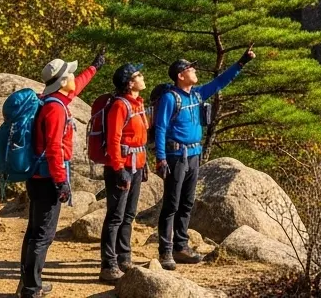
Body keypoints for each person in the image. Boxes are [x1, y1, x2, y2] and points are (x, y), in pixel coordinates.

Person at [154, 47, 255, 270]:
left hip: (193, 156)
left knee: (187, 202)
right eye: (190, 68)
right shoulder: (170, 98)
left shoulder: (198, 94)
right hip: (175, 156)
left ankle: (181, 247)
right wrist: (161, 159)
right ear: (181, 75)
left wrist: (241, 62)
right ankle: (165, 252)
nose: (195, 70)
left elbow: (220, 82)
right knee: (171, 204)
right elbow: (160, 128)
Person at [18, 51, 104, 298]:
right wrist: (60, 182)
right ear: (64, 80)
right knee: (42, 235)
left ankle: (28, 283)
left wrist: (94, 68)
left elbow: (76, 90)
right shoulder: (56, 110)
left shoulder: (52, 100)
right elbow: (54, 147)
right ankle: (32, 288)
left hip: (38, 176)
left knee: (35, 232)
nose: (75, 78)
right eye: (72, 75)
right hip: (47, 178)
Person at [99, 63, 150, 283]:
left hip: (136, 165)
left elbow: (138, 138)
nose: (143, 76)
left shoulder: (137, 103)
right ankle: (108, 265)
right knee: (115, 216)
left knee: (128, 215)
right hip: (121, 167)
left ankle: (124, 257)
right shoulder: (120, 105)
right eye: (139, 75)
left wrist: (143, 163)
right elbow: (113, 139)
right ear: (130, 83)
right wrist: (119, 169)